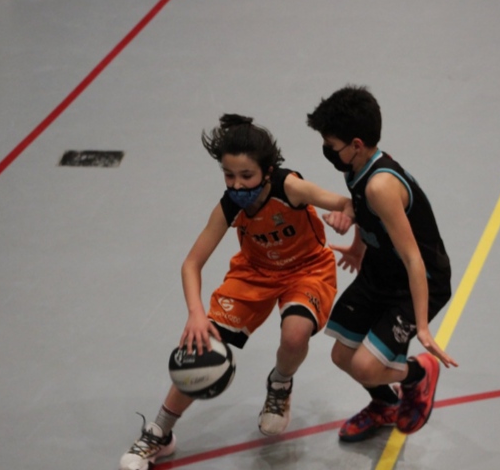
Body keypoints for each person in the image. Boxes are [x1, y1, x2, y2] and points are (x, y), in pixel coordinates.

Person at [119, 114, 354, 470]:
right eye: (229, 176)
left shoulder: (290, 188)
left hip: (306, 270)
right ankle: (160, 432)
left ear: (268, 171)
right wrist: (196, 315)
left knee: (295, 334)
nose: (237, 184)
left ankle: (280, 384)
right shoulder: (230, 205)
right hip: (254, 273)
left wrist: (346, 220)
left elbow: (348, 202)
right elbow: (191, 264)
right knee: (201, 346)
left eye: (246, 175)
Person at [306, 85, 458, 442]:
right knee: (342, 356)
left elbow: (413, 258)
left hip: (418, 280)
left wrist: (422, 327)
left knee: (366, 366)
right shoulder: (355, 168)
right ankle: (385, 405)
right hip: (380, 269)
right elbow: (365, 213)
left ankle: (420, 373)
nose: (327, 150)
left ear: (356, 144)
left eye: (331, 144)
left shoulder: (381, 186)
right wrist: (357, 247)